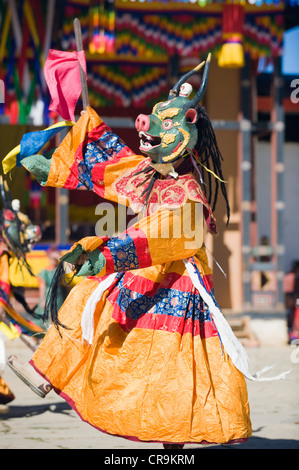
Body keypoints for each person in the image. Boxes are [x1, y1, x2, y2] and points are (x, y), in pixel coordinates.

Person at [7, 54, 284, 447]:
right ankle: (50, 375)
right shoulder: (149, 175)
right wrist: (53, 166)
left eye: (165, 123)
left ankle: (175, 442)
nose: (148, 125)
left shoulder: (190, 193)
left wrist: (107, 253)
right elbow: (114, 165)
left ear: (187, 130)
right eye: (153, 117)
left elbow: (167, 234)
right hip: (140, 268)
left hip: (176, 286)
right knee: (89, 299)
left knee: (173, 366)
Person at [34, 246, 66, 329]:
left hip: (58, 297)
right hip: (48, 296)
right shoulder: (45, 271)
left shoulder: (60, 270)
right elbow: (42, 286)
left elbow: (67, 265)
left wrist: (58, 256)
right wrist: (42, 300)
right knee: (47, 318)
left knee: (57, 317)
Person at [284, 260, 299, 343]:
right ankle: (294, 335)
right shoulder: (292, 277)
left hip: (291, 301)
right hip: (292, 301)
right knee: (293, 318)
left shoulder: (289, 276)